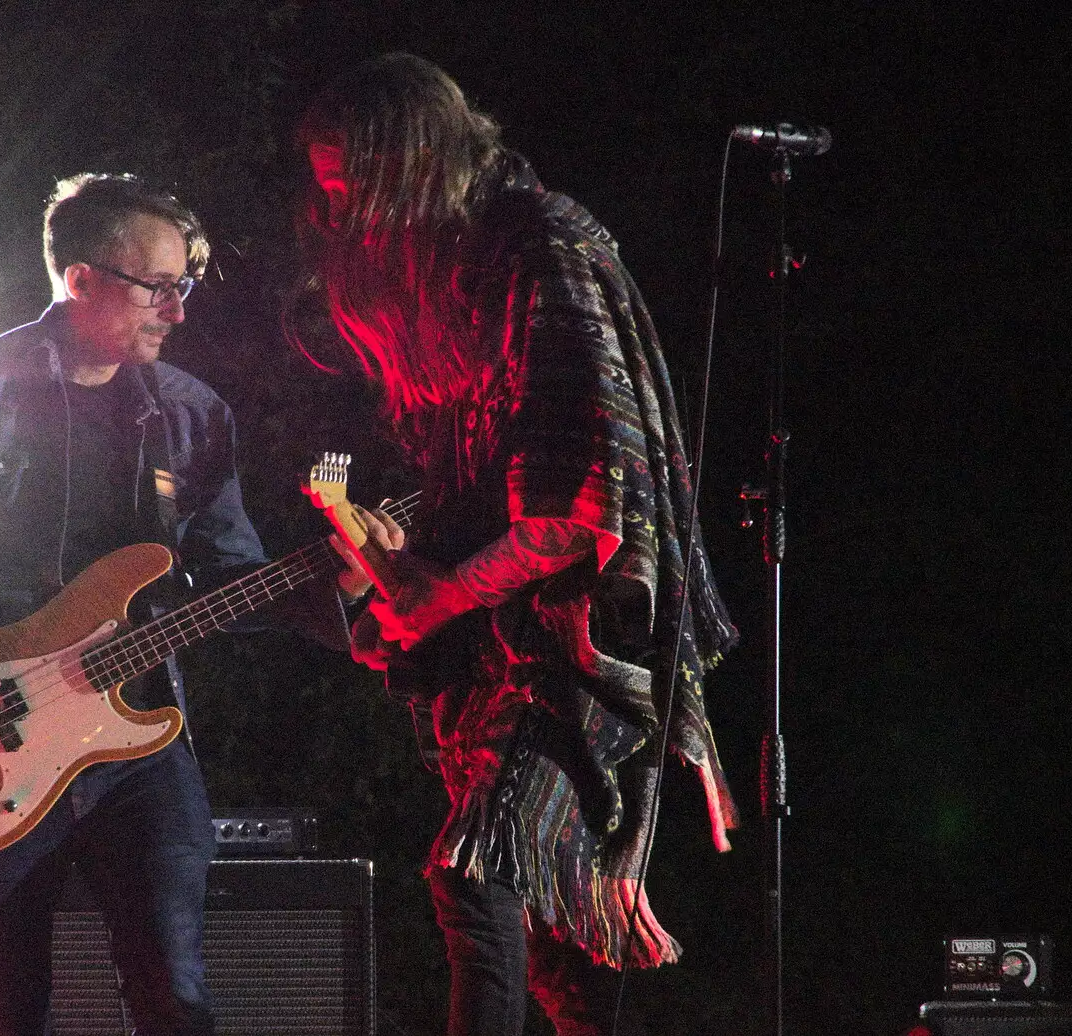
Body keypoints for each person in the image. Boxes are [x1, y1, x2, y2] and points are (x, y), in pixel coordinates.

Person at [0, 172, 369, 1036]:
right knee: (6, 1013)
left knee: (177, 1001)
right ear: (80, 279)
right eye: (159, 287)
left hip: (139, 745)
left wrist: (339, 583)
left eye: (185, 287)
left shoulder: (192, 416)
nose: (178, 311)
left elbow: (231, 581)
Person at [292, 54, 741, 1036]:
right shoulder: (454, 278)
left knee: (476, 867)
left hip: (582, 644)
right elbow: (475, 481)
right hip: (494, 646)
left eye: (351, 189)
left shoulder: (538, 250)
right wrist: (394, 556)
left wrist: (437, 594)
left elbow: (578, 507)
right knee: (553, 956)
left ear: (407, 164)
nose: (342, 219)